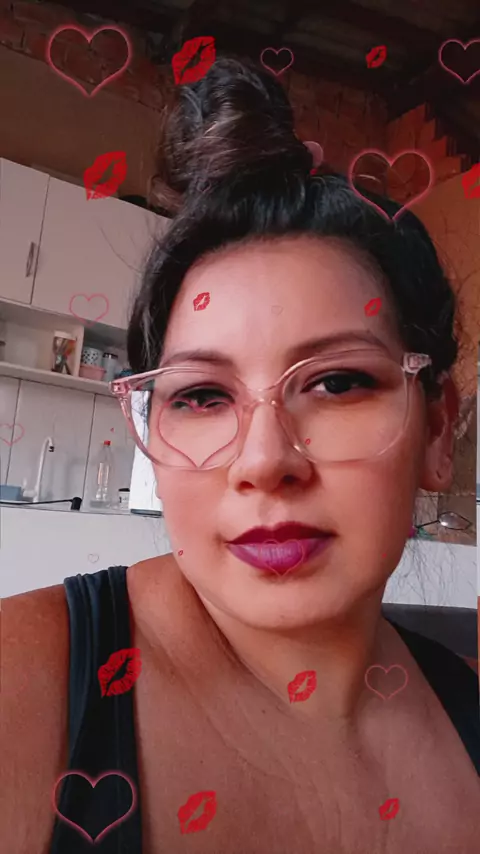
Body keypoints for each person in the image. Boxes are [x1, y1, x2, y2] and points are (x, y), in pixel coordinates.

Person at [3, 58, 479, 854]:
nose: (264, 461)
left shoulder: (466, 705)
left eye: (335, 383)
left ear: (437, 430)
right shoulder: (22, 696)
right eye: (200, 395)